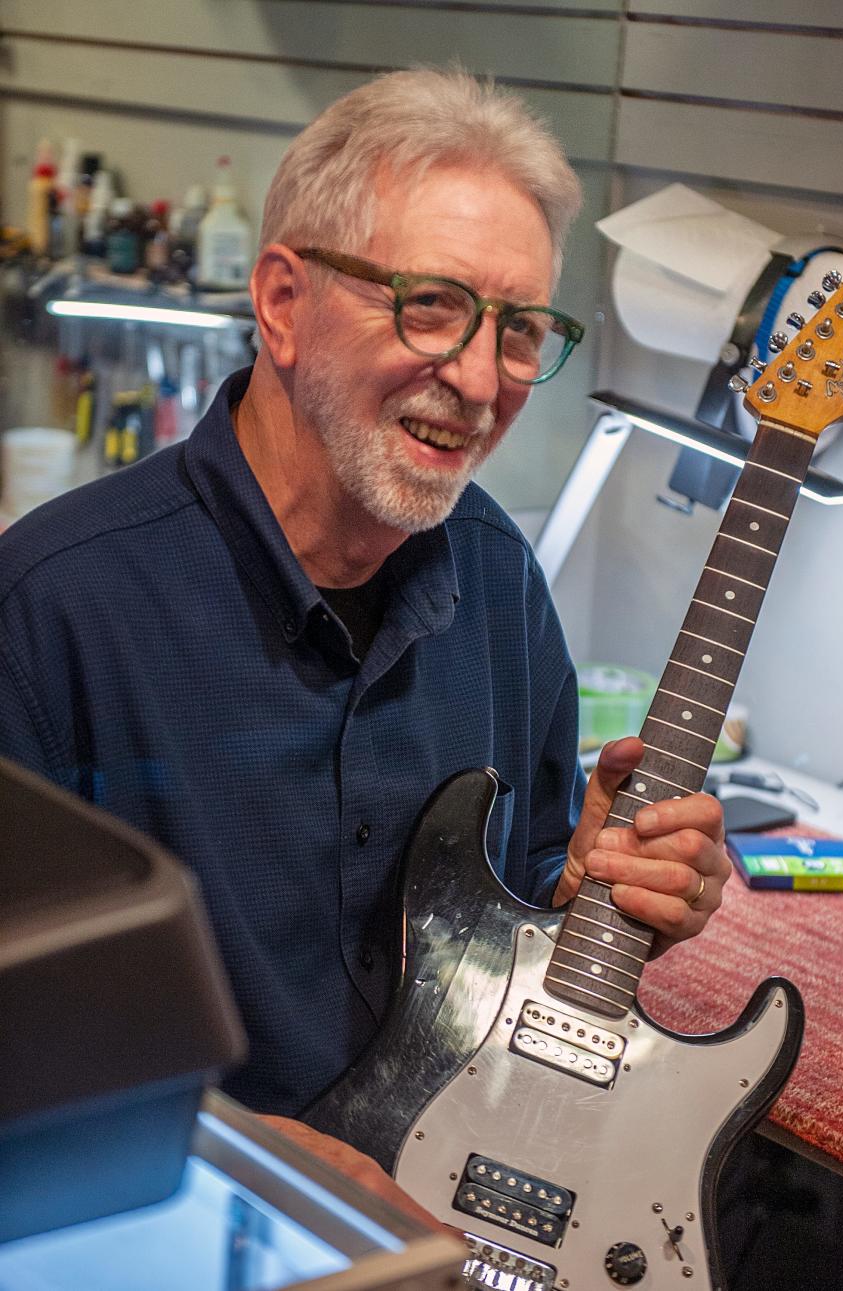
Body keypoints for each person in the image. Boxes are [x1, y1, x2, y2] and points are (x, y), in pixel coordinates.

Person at [0, 69, 728, 1213]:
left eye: (522, 329)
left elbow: (513, 927)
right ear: (283, 304)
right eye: (430, 305)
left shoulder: (499, 583)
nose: (482, 381)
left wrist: (593, 890)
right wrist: (229, 1150)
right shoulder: (53, 611)